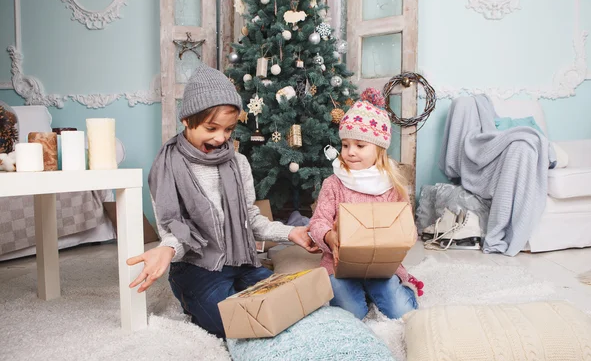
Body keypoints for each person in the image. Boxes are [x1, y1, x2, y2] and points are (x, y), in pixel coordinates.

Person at [126, 63, 319, 338]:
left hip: (242, 262)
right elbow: (175, 231)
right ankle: (197, 302)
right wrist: (165, 250)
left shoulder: (238, 163)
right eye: (211, 128)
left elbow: (251, 219)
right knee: (234, 322)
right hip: (197, 269)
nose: (220, 138)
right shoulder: (167, 168)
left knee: (286, 306)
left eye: (228, 130)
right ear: (186, 120)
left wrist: (291, 232)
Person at [309, 97, 424, 320]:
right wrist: (329, 236)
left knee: (402, 312)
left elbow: (407, 229)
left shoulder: (392, 186)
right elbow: (317, 222)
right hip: (339, 265)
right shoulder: (333, 183)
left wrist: (402, 238)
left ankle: (389, 290)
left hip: (381, 266)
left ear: (379, 150)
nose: (350, 152)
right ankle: (361, 293)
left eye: (360, 146)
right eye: (345, 145)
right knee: (352, 313)